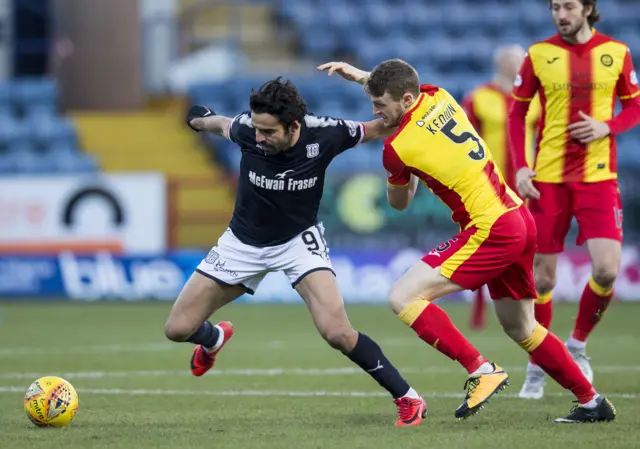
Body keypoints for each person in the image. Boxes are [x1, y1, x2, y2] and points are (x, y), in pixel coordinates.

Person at [318, 58, 616, 423]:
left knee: (402, 297)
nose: (375, 112)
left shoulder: (397, 148)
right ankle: (592, 401)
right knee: (521, 326)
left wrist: (401, 171)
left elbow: (399, 203)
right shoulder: (439, 96)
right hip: (517, 216)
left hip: (492, 228)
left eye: (380, 105)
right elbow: (403, 84)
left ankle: (480, 369)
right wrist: (364, 77)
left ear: (406, 100)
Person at [163, 77, 428, 427]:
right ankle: (214, 338)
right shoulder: (248, 129)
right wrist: (198, 119)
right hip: (241, 243)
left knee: (337, 331)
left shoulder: (328, 133)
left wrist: (419, 119)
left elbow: (378, 126)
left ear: (294, 126)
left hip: (297, 243)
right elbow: (219, 123)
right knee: (177, 329)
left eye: (268, 132)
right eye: (257, 129)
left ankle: (408, 398)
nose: (259, 137)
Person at [508, 0, 640, 399]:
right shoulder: (539, 54)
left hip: (599, 178)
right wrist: (520, 167)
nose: (560, 15)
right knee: (543, 279)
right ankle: (538, 364)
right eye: (554, 8)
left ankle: (577, 344)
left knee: (605, 271)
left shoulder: (615, 52)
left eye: (567, 7)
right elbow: (517, 114)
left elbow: (634, 106)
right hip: (547, 178)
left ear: (587, 9)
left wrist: (608, 125)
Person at [462, 45, 542, 331]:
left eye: (520, 60)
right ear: (500, 63)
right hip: (489, 186)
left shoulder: (536, 98)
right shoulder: (479, 97)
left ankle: (527, 312)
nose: (517, 64)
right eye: (512, 60)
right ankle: (479, 313)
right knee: (483, 247)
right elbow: (464, 141)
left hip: (526, 185)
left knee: (530, 249)